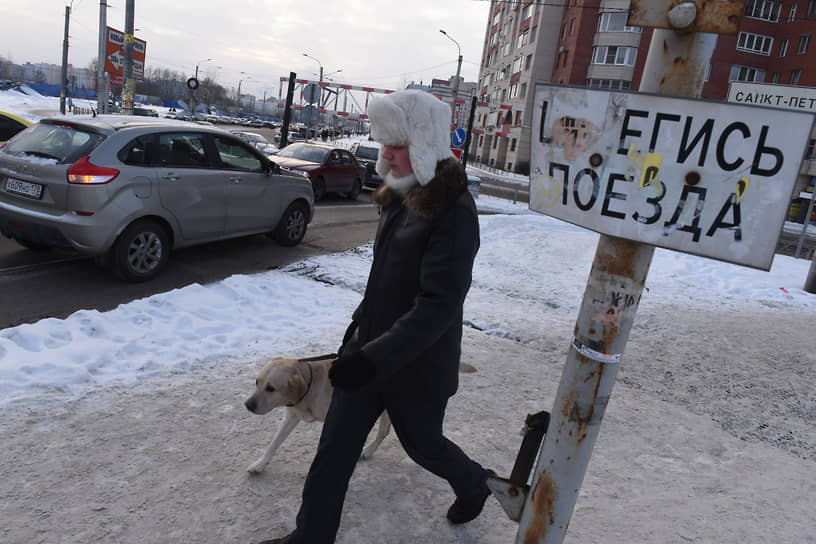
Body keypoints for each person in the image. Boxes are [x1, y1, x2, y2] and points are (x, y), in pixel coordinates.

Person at [258, 89, 492, 544]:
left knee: (424, 446)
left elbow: (438, 304)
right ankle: (311, 537)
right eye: (384, 143)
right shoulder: (399, 195)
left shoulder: (455, 211)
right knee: (334, 451)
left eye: (398, 145)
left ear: (425, 144)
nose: (387, 155)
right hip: (368, 354)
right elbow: (385, 279)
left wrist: (373, 357)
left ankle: (474, 482)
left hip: (417, 365)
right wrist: (357, 337)